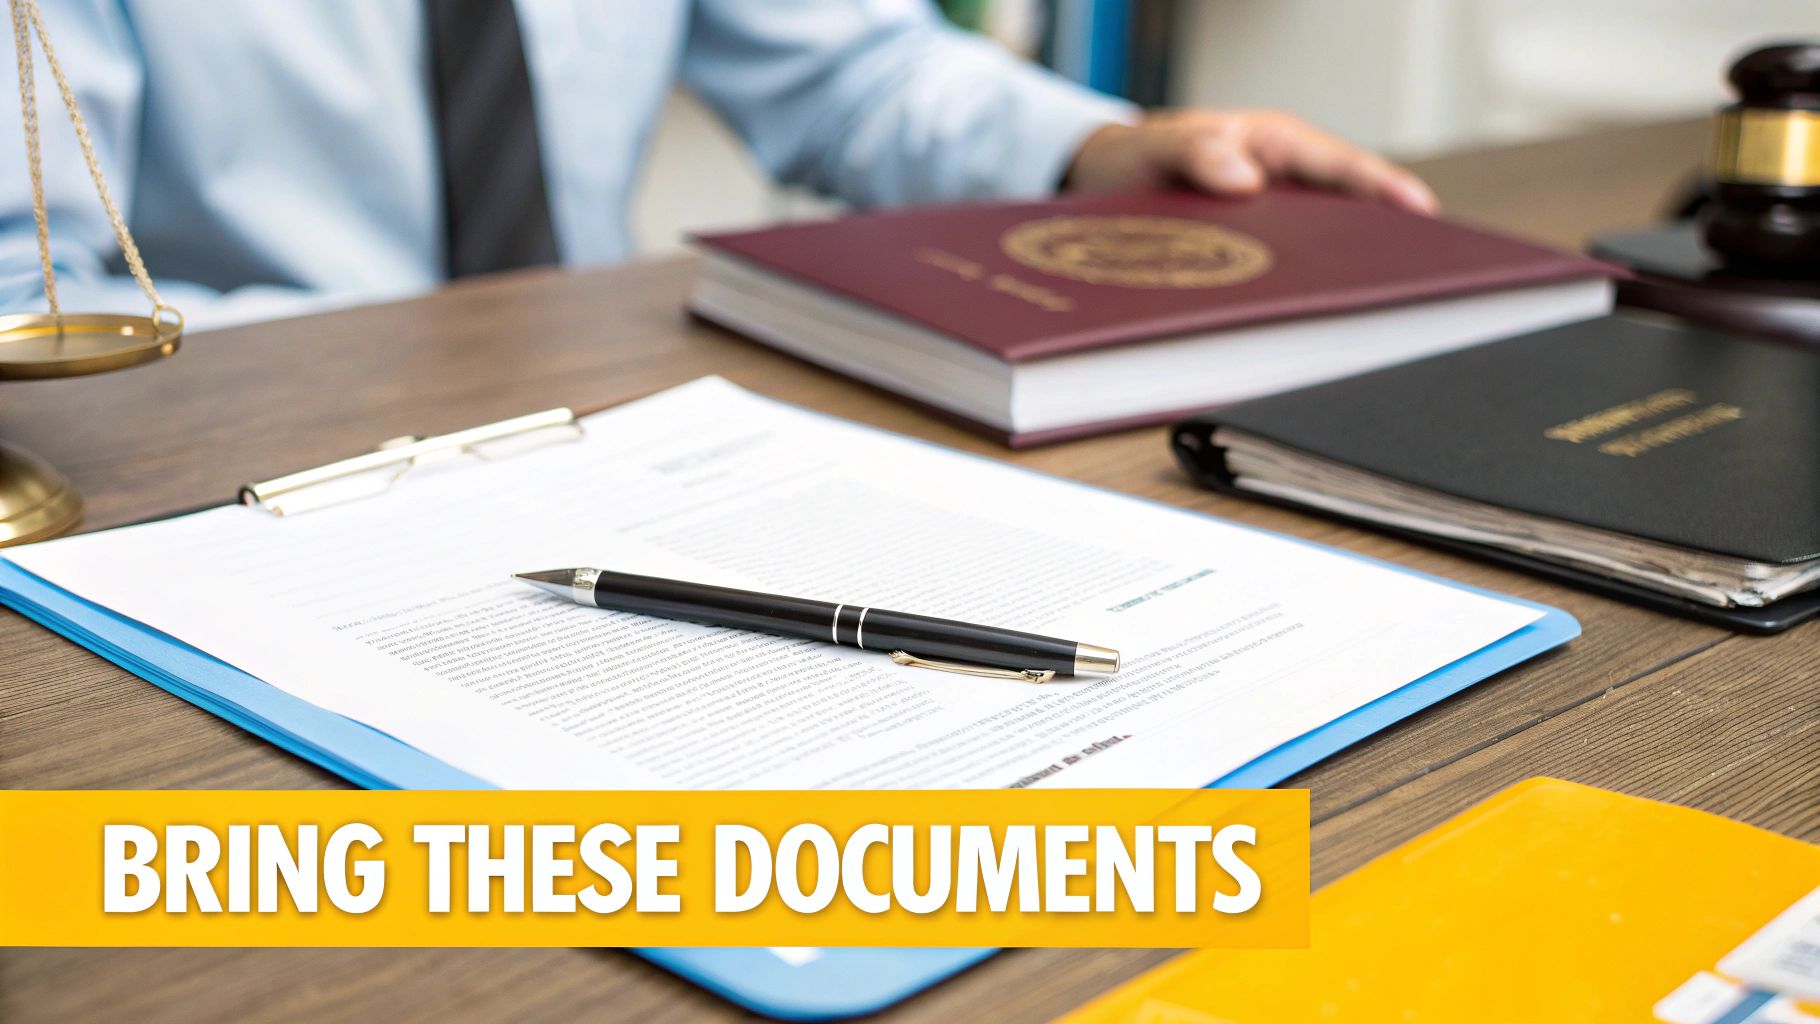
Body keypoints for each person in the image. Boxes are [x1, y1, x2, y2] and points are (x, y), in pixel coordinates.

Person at [0, 1, 1437, 330]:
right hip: (237, 452)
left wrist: (1098, 152)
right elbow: (29, 293)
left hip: (585, 423)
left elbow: (855, 69)